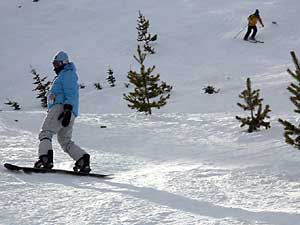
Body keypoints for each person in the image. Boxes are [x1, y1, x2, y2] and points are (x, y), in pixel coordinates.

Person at [34, 51, 91, 173]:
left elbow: (71, 92)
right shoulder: (65, 75)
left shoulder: (67, 74)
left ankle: (45, 158)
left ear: (64, 63)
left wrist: (67, 109)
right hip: (67, 111)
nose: (55, 67)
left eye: (57, 64)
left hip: (62, 108)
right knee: (64, 140)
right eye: (53, 64)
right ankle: (82, 159)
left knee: (45, 133)